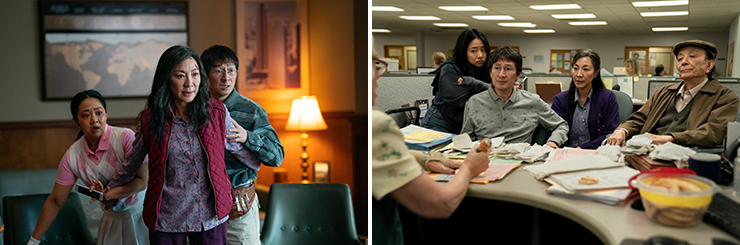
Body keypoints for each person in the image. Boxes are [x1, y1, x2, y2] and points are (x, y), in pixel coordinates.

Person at [107, 45, 256, 245]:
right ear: (167, 79)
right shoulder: (151, 120)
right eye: (180, 76)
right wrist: (109, 189)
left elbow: (239, 149)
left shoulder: (217, 112)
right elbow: (132, 162)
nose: (190, 84)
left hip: (209, 215)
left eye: (195, 74)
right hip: (166, 217)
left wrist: (258, 157)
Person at [372, 47, 492, 244]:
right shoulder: (377, 124)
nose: (379, 75)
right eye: (375, 64)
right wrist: (470, 167)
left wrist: (426, 158)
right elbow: (442, 204)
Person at [28, 90, 149, 245]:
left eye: (99, 113)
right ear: (76, 121)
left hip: (142, 215)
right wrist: (33, 241)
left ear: (106, 114)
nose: (94, 120)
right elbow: (55, 201)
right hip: (112, 221)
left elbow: (142, 180)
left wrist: (110, 194)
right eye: (86, 115)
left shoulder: (125, 137)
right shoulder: (72, 156)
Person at [201, 44, 285, 245]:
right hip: (204, 208)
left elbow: (277, 157)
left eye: (231, 70)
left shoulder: (251, 110)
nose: (226, 77)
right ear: (206, 75)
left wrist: (247, 137)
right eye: (219, 71)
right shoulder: (197, 109)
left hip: (238, 207)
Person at [606, 40, 739, 147]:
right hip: (644, 152)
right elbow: (639, 118)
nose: (684, 62)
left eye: (692, 56)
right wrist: (622, 130)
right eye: (680, 59)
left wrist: (669, 139)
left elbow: (713, 132)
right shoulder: (664, 92)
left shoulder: (724, 97)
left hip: (685, 157)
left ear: (709, 66)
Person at [461, 46, 568, 148]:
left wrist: (553, 141)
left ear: (518, 75)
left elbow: (561, 125)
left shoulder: (532, 102)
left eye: (508, 69)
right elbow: (466, 141)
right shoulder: (474, 103)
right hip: (485, 160)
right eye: (497, 68)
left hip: (521, 161)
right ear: (490, 73)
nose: (501, 74)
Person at [422, 29, 492, 134]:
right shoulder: (449, 69)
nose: (480, 55)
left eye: (483, 50)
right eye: (473, 51)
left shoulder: (484, 68)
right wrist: (495, 90)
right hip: (439, 123)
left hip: (464, 126)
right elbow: (467, 102)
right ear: (463, 52)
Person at [551, 49, 621, 149]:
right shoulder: (560, 100)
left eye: (586, 69)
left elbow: (611, 133)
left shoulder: (607, 98)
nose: (579, 74)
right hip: (565, 154)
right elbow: (553, 129)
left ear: (596, 73)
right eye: (576, 68)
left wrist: (582, 148)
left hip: (596, 153)